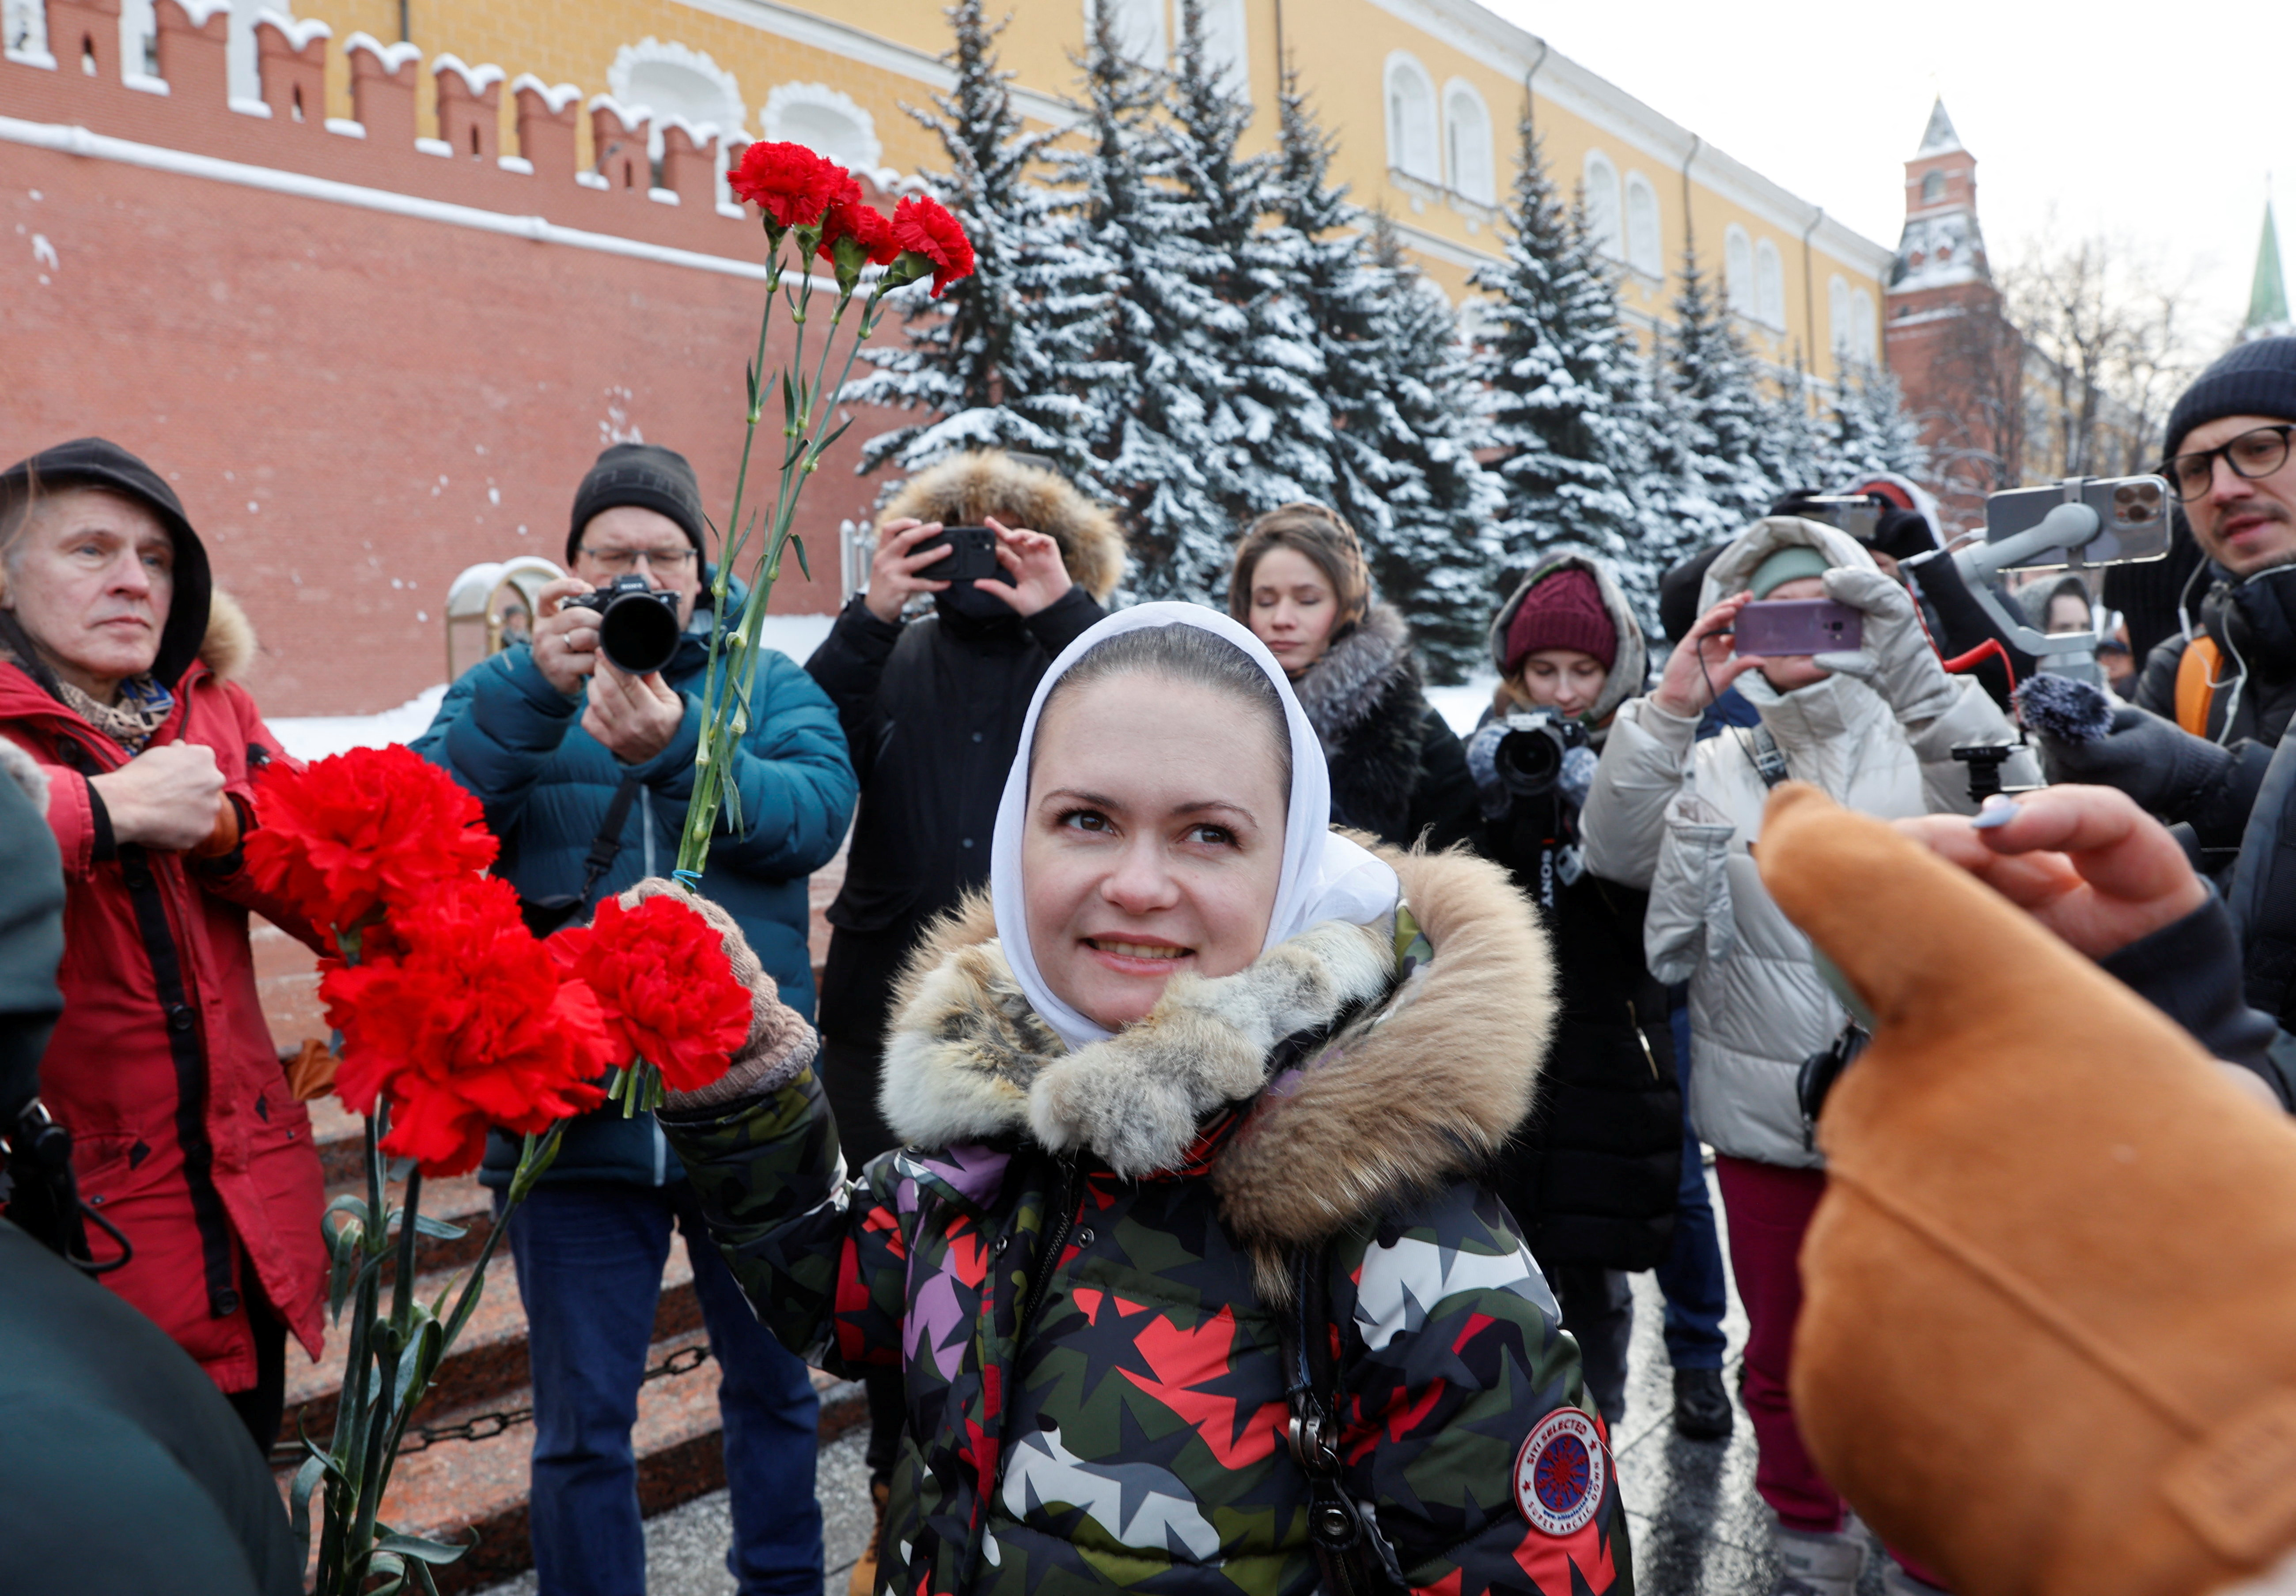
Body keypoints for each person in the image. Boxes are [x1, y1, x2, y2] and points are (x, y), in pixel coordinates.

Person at [653, 604, 1631, 1595]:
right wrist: (737, 1068)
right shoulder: (1004, 1098)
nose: (1137, 883)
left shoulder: (1411, 1250)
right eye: (1087, 820)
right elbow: (851, 1297)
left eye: (1208, 833)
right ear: (1014, 836)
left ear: (1291, 864)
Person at [413, 442, 855, 1596]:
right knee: (580, 1427)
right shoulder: (514, 682)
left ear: (702, 574)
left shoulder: (767, 681)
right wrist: (525, 691)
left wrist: (682, 753)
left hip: (740, 1112)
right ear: (570, 570)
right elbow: (429, 821)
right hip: (572, 1107)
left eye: (665, 556)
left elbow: (814, 814)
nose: (643, 577)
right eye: (616, 556)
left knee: (771, 1390)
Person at [1580, 514, 2033, 1596]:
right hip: (1763, 1117)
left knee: (1926, 1357)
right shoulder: (1723, 757)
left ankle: (1928, 1552)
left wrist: (1912, 668)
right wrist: (1675, 696)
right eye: (1765, 604)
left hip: (1921, 1113)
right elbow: (1613, 848)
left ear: (1858, 607)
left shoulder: (1921, 736)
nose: (1794, 626)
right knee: (1781, 1352)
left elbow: (2012, 799)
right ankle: (1803, 1539)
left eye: (1819, 601)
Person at [801, 449, 1121, 1592]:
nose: (980, 552)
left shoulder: (1072, 655)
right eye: (957, 532)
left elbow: (1142, 717)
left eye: (1007, 534)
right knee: (889, 1256)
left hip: (1032, 1015)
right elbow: (797, 733)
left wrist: (1066, 609)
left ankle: (1019, 1472)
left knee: (1021, 1249)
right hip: (878, 1006)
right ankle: (898, 1476)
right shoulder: (889, 650)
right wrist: (869, 611)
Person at [0, 439, 328, 1453]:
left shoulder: (213, 706)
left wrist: (227, 827)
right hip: (73, 1248)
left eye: (157, 555)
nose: (134, 580)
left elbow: (345, 887)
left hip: (247, 1231)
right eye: (91, 549)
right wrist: (94, 811)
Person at [1467, 552, 1687, 1436]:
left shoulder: (1636, 759)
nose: (1560, 693)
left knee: (1596, 1273)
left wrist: (1601, 808)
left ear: (1614, 674)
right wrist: (1502, 799)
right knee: (1497, 1260)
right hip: (1507, 1053)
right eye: (1542, 672)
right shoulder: (1486, 757)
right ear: (1512, 673)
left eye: (1581, 671)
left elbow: (1654, 917)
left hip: (1608, 1045)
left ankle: (1591, 1432)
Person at [2038, 336, 2296, 871]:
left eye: (2258, 448)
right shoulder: (2182, 667)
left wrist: (2212, 784)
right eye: (2195, 470)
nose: (2222, 489)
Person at [1228, 503, 1478, 851]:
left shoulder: (1416, 732)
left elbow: (1462, 880)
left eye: (1308, 600)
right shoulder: (1214, 713)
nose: (1282, 618)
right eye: (1266, 601)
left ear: (1347, 605)